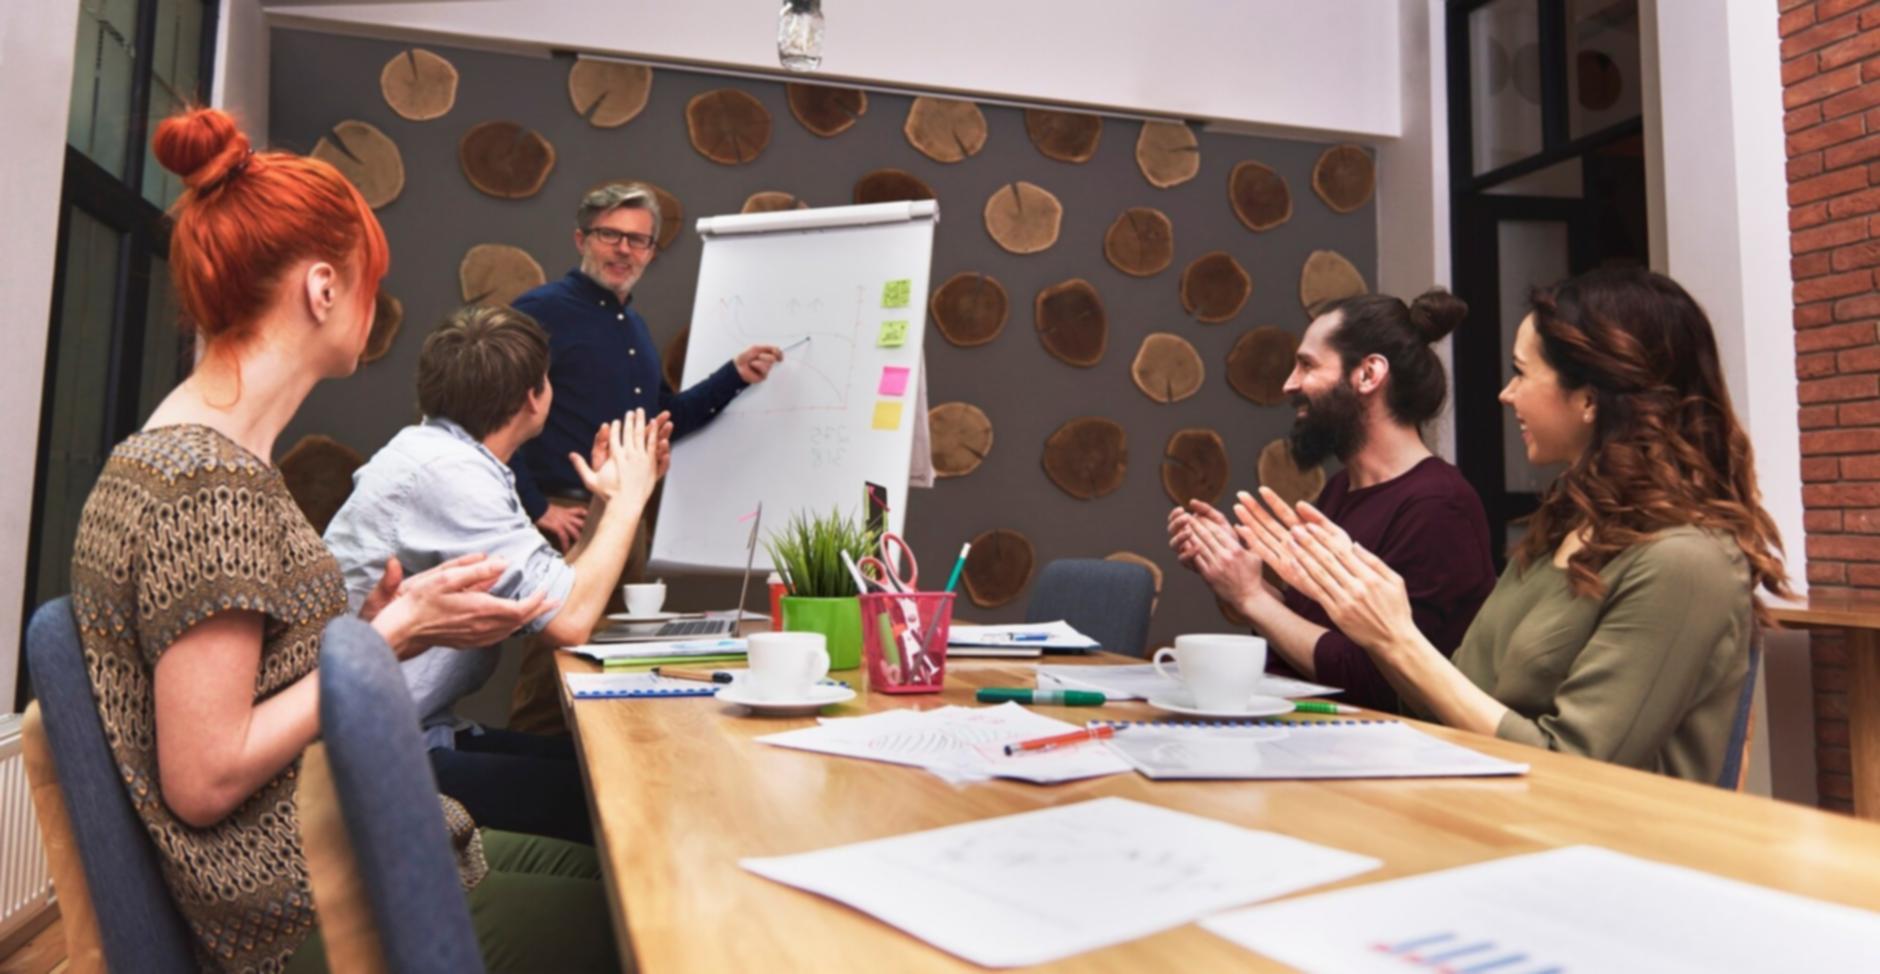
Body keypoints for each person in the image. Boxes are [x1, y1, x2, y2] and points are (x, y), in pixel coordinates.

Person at [67, 107, 616, 972]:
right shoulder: (208, 485)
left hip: (319, 843)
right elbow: (206, 777)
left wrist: (383, 626)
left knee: (610, 870)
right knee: (635, 919)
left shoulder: (182, 456)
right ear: (323, 289)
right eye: (372, 282)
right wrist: (387, 639)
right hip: (293, 902)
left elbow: (250, 681)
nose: (375, 305)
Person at [1260, 267, 1789, 784]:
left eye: (1521, 372)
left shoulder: (1686, 560)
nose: (1506, 394)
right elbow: (1452, 696)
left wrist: (1396, 638)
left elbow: (1574, 768)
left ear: (1588, 398)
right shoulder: (1563, 524)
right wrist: (1364, 623)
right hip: (1481, 808)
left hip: (1588, 837)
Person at [324, 305, 670, 846]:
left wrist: (605, 502)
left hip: (416, 732)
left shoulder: (453, 459)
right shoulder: (449, 476)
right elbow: (569, 621)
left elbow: (552, 590)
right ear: (535, 397)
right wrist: (631, 499)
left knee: (610, 767)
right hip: (376, 764)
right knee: (624, 795)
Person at [504, 182, 783, 733]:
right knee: (551, 673)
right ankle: (534, 776)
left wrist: (735, 376)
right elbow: (495, 412)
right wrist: (537, 508)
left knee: (603, 669)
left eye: (639, 240)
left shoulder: (631, 325)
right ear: (581, 239)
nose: (624, 250)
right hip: (568, 519)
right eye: (611, 235)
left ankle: (586, 778)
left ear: (652, 251)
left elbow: (664, 417)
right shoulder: (538, 312)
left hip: (626, 518)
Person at [1168, 289, 1496, 712]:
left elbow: (1380, 684)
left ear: (1368, 374)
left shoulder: (1438, 507)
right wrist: (1235, 571)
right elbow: (1317, 639)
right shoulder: (1342, 489)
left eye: (1307, 365)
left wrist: (1253, 598)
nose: (1289, 384)